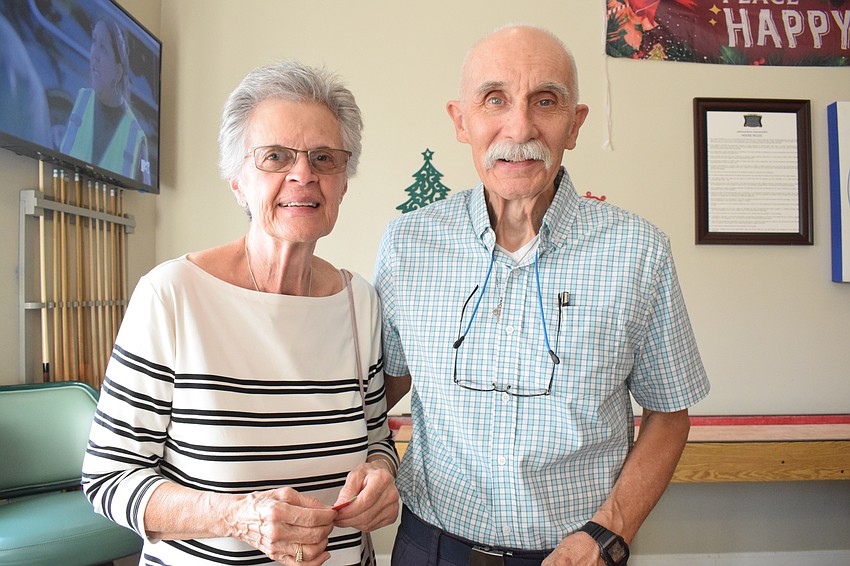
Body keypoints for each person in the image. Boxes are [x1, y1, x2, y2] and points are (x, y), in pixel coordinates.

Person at [374, 25, 710, 566]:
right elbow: (381, 387)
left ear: (574, 125)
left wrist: (608, 534)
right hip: (431, 545)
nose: (520, 126)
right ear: (461, 120)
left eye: (545, 101)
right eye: (494, 99)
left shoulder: (637, 251)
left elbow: (670, 413)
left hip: (576, 550)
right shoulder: (408, 244)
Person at [82, 60, 399, 566]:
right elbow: (107, 479)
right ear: (237, 181)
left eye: (324, 158)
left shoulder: (359, 301)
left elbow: (379, 437)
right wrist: (235, 517)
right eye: (275, 156)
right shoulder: (173, 295)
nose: (304, 174)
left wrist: (382, 476)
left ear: (343, 182)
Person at [61, 17, 151, 184]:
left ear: (118, 72)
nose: (94, 54)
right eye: (94, 41)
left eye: (103, 47)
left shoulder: (137, 136)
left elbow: (144, 188)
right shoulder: (82, 99)